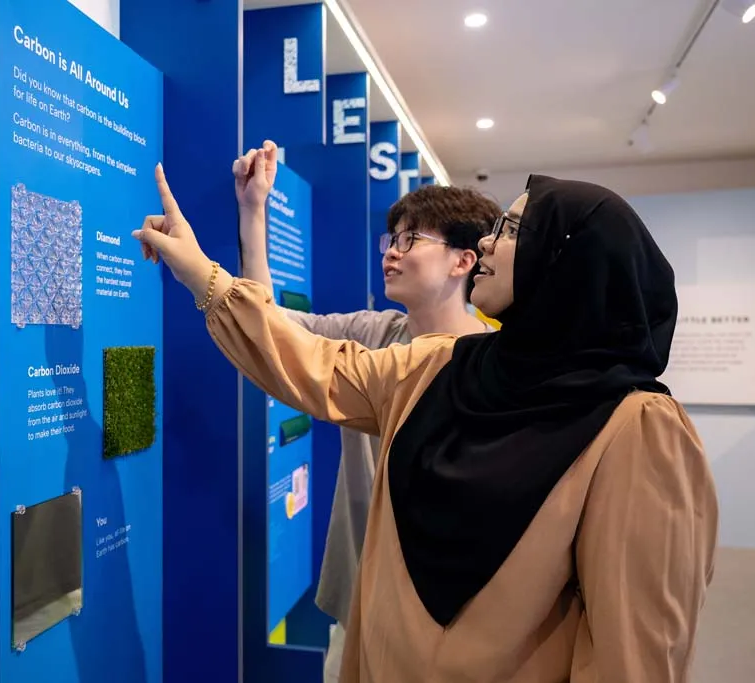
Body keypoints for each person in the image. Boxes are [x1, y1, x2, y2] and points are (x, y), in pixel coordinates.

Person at [134, 165, 719, 682]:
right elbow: (309, 363)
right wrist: (202, 275)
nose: (488, 245)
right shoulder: (440, 364)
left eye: (513, 231)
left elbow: (636, 653)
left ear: (568, 260)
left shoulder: (636, 427)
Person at [232, 140, 499, 678]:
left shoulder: (497, 363)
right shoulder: (375, 333)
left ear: (463, 261)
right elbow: (271, 325)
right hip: (360, 589)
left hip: (445, 607)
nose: (391, 252)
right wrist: (254, 208)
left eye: (410, 240)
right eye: (391, 239)